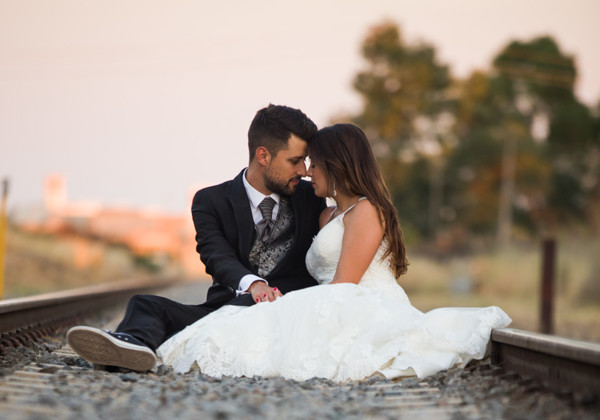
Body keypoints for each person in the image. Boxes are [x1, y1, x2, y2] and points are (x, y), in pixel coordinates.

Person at [157, 123, 511, 381]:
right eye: (302, 163)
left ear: (337, 165)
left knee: (267, 326)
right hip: (334, 301)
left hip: (358, 302)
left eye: (314, 163)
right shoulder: (326, 216)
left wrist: (290, 306)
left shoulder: (366, 211)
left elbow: (345, 283)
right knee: (245, 325)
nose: (307, 172)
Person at [66, 104, 325, 371]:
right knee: (145, 304)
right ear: (263, 156)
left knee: (215, 321)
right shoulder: (211, 200)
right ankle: (132, 348)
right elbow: (216, 255)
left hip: (284, 314)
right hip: (224, 312)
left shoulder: (311, 197)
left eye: (305, 161)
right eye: (295, 161)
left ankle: (142, 348)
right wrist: (254, 285)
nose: (304, 170)